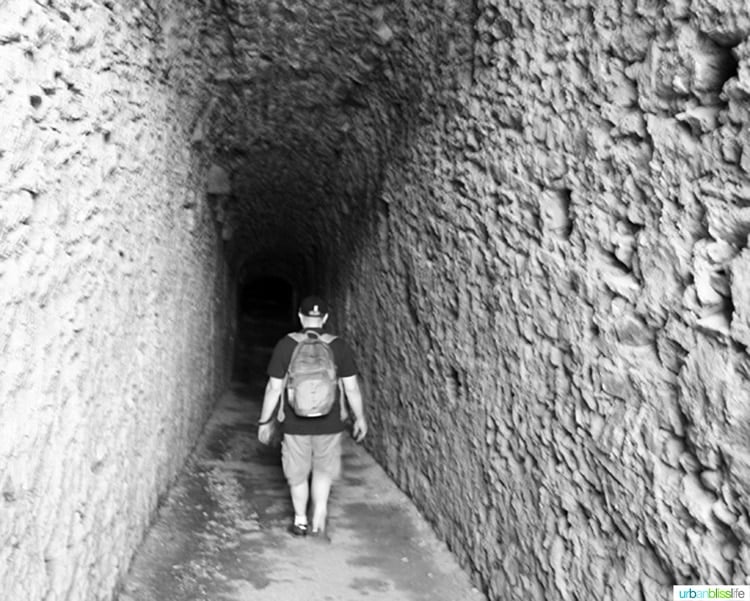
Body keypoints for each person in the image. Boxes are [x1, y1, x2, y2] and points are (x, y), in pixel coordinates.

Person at [257, 295, 367, 540]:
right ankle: (320, 508)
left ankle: (300, 520)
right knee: (323, 469)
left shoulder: (286, 345)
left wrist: (265, 421)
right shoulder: (338, 346)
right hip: (330, 422)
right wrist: (360, 418)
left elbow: (274, 388)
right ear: (325, 318)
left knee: (297, 474)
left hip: (295, 424)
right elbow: (351, 388)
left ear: (300, 316)